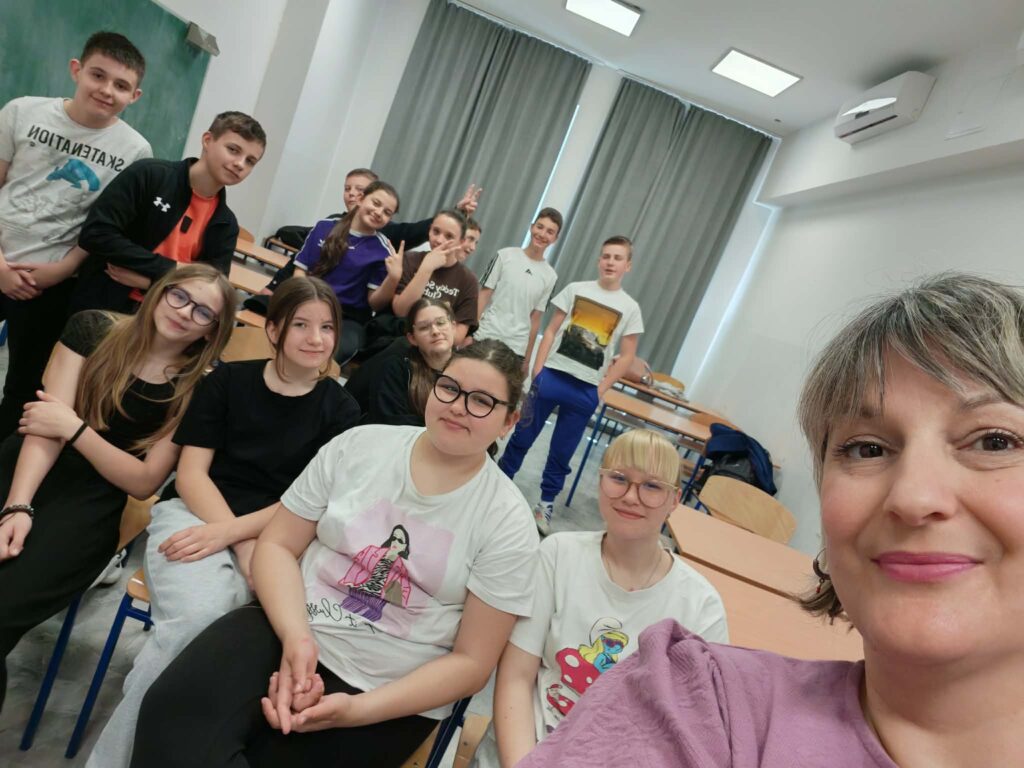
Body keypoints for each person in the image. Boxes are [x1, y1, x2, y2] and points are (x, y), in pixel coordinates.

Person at [518, 273, 1024, 767]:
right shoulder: (699, 700)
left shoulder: (698, 608)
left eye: (994, 441)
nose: (913, 496)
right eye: (867, 448)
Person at [130, 340, 539, 767]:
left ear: (509, 421)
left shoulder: (507, 521)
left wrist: (356, 710)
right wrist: (296, 637)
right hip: (289, 625)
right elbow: (277, 545)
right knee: (170, 716)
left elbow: (472, 663)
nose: (457, 407)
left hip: (389, 686)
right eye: (449, 388)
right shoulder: (360, 446)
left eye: (481, 401)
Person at [86, 276, 360, 767]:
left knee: (231, 643)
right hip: (195, 516)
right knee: (196, 622)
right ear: (273, 330)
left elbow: (312, 503)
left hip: (280, 537)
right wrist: (238, 541)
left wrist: (242, 539)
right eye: (301, 325)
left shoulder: (342, 410)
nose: (316, 339)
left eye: (326, 328)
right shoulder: (227, 382)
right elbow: (192, 475)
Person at [0, 263, 235, 710]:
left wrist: (75, 429)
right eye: (180, 296)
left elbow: (143, 482)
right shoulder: (91, 329)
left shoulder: (199, 386)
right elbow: (44, 431)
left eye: (203, 312)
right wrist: (17, 506)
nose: (185, 312)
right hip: (26, 467)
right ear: (160, 292)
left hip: (92, 502)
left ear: (212, 330)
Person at [474, 428, 728, 768]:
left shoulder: (701, 607)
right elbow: (517, 678)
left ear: (674, 500)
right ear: (600, 481)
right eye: (619, 478)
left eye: (652, 486)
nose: (631, 496)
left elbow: (691, 733)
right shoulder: (558, 555)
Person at [0, 31, 151, 438]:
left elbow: (108, 226)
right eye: (98, 76)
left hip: (53, 283)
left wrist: (63, 269)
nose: (107, 91)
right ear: (76, 70)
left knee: (24, 388)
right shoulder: (22, 111)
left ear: (135, 96)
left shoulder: (136, 151)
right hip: (1, 256)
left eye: (121, 85)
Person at [499, 235, 643, 534]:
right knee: (522, 435)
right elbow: (551, 330)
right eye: (606, 256)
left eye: (617, 258)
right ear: (599, 260)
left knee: (562, 453)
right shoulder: (576, 290)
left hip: (585, 390)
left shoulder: (630, 308)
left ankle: (545, 505)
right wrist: (538, 369)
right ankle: (498, 486)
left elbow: (628, 356)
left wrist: (601, 389)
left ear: (628, 266)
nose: (610, 262)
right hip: (552, 375)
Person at [71, 111, 266, 314]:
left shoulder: (226, 223)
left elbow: (213, 286)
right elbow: (96, 235)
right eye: (233, 150)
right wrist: (176, 269)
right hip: (103, 305)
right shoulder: (149, 175)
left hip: (172, 317)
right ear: (207, 140)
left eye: (250, 161)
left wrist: (151, 282)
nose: (240, 164)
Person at [290, 180, 403, 363]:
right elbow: (300, 271)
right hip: (308, 300)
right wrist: (303, 302)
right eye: (376, 203)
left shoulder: (382, 250)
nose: (379, 212)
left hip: (347, 318)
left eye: (387, 212)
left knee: (332, 351)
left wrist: (394, 277)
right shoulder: (324, 227)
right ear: (361, 199)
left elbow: (375, 303)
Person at [344, 297, 455, 426]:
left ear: (453, 326)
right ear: (412, 338)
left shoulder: (468, 370)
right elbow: (391, 422)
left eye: (441, 323)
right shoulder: (395, 369)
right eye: (424, 327)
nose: (435, 331)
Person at [475, 208, 561, 369]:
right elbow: (483, 296)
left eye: (550, 232)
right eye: (540, 227)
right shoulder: (504, 255)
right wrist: (469, 333)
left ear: (555, 239)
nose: (542, 234)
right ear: (531, 227)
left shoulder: (551, 276)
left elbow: (535, 319)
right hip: (485, 336)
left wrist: (527, 360)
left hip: (516, 348)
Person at [393, 209, 479, 345]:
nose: (439, 240)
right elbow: (401, 311)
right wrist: (426, 269)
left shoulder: (468, 280)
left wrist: (427, 333)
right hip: (398, 338)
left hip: (435, 346)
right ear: (429, 230)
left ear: (461, 242)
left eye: (449, 236)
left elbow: (458, 337)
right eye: (436, 231)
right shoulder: (410, 260)